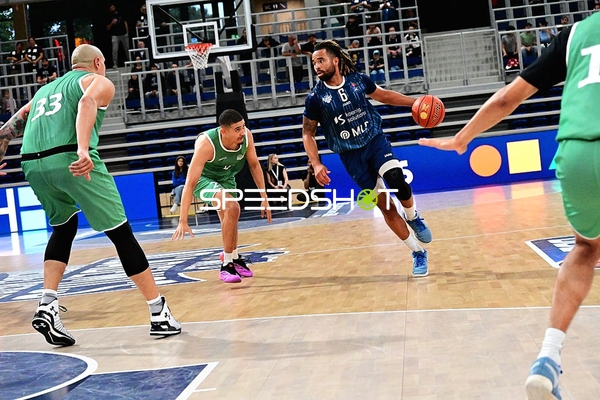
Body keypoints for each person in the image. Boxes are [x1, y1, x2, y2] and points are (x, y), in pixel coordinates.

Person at [419, 13, 600, 399]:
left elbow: (507, 98)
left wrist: (462, 138)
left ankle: (548, 358)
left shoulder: (576, 34)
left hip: (576, 154)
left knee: (586, 248)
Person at [0, 44, 181, 346]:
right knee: (121, 233)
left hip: (32, 164)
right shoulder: (98, 81)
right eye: (104, 63)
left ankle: (47, 305)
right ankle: (158, 312)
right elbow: (86, 102)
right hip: (70, 157)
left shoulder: (44, 91)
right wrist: (83, 149)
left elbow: (10, 127)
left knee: (64, 227)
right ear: (97, 62)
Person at [303, 40, 432, 277]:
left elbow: (384, 96)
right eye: (314, 62)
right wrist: (317, 163)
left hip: (374, 141)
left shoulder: (357, 80)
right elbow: (307, 133)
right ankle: (418, 252)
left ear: (335, 60)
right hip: (351, 156)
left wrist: (414, 102)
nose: (317, 66)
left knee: (396, 179)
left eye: (321, 60)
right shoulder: (315, 98)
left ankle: (413, 217)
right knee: (386, 207)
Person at [172, 109, 271, 283]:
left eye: (243, 127)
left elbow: (255, 165)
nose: (242, 132)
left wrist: (264, 197)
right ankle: (226, 265)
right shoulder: (207, 143)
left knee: (231, 215)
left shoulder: (247, 136)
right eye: (237, 129)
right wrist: (183, 220)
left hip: (226, 177)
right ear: (224, 131)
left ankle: (234, 257)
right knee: (232, 206)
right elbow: (190, 183)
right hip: (204, 179)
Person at [107, 3, 129, 68]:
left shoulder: (121, 14)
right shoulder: (109, 16)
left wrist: (127, 32)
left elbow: (125, 23)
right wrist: (112, 23)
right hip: (115, 35)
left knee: (127, 49)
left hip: (123, 34)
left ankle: (130, 62)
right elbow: (108, 28)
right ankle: (115, 64)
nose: (112, 9)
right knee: (114, 50)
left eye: (113, 7)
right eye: (111, 8)